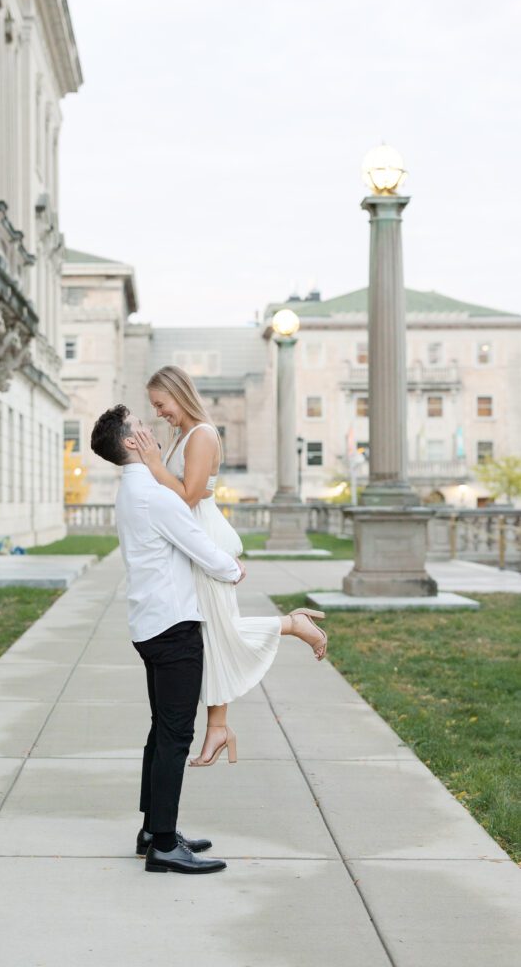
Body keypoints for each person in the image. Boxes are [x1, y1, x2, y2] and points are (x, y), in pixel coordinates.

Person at [131, 365, 328, 767]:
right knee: (210, 634)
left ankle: (292, 624)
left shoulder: (202, 434)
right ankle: (218, 728)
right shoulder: (181, 437)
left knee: (219, 629)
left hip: (202, 536)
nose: (158, 413)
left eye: (161, 404)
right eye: (153, 407)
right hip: (192, 538)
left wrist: (154, 465)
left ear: (178, 394)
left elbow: (186, 498)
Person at [90, 404, 246, 875]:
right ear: (132, 443)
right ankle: (162, 845)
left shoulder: (132, 489)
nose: (151, 429)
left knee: (162, 732)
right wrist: (234, 568)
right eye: (141, 426)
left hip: (150, 623)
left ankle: (152, 831)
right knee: (176, 736)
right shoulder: (154, 495)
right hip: (173, 627)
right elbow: (199, 544)